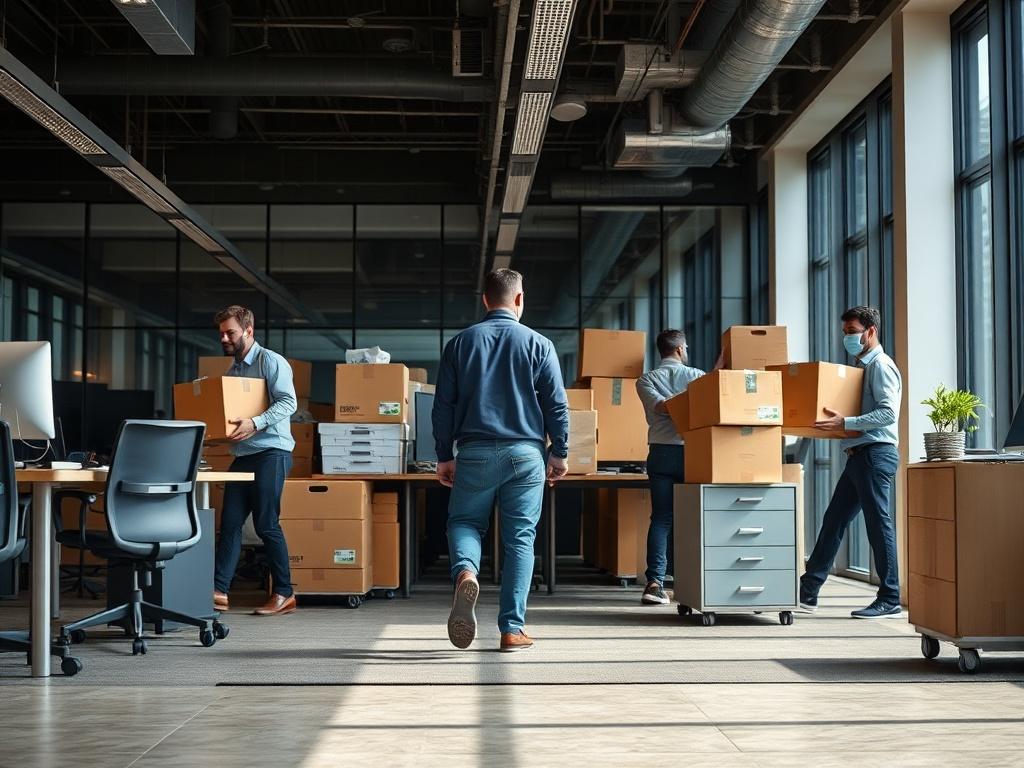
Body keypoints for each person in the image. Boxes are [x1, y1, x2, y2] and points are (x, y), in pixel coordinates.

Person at [433, 268, 569, 652]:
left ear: (485, 300)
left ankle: (466, 573)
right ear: (520, 299)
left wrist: (443, 455)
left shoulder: (460, 343)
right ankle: (512, 628)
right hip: (525, 455)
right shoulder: (539, 344)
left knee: (464, 522)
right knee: (520, 538)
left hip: (474, 451)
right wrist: (559, 451)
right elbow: (556, 404)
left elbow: (443, 406)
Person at [800, 306, 903, 618]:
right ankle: (808, 591)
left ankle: (890, 597)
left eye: (852, 332)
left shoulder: (881, 366)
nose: (847, 338)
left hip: (875, 454)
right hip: (860, 456)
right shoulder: (863, 368)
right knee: (834, 520)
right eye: (845, 333)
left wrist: (846, 422)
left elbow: (888, 413)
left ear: (870, 331)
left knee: (878, 524)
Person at [211, 305, 299, 617]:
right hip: (244, 455)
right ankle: (218, 591)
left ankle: (285, 593)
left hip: (271, 452)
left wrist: (255, 422)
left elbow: (289, 402)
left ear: (248, 331)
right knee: (230, 524)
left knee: (266, 524)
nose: (224, 338)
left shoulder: (270, 361)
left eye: (230, 332)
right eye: (221, 333)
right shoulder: (233, 372)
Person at [635, 330, 705, 605]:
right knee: (694, 518)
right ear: (679, 349)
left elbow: (661, 407)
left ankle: (655, 583)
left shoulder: (646, 380)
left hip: (661, 452)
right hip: (694, 452)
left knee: (662, 518)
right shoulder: (697, 376)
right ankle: (695, 582)